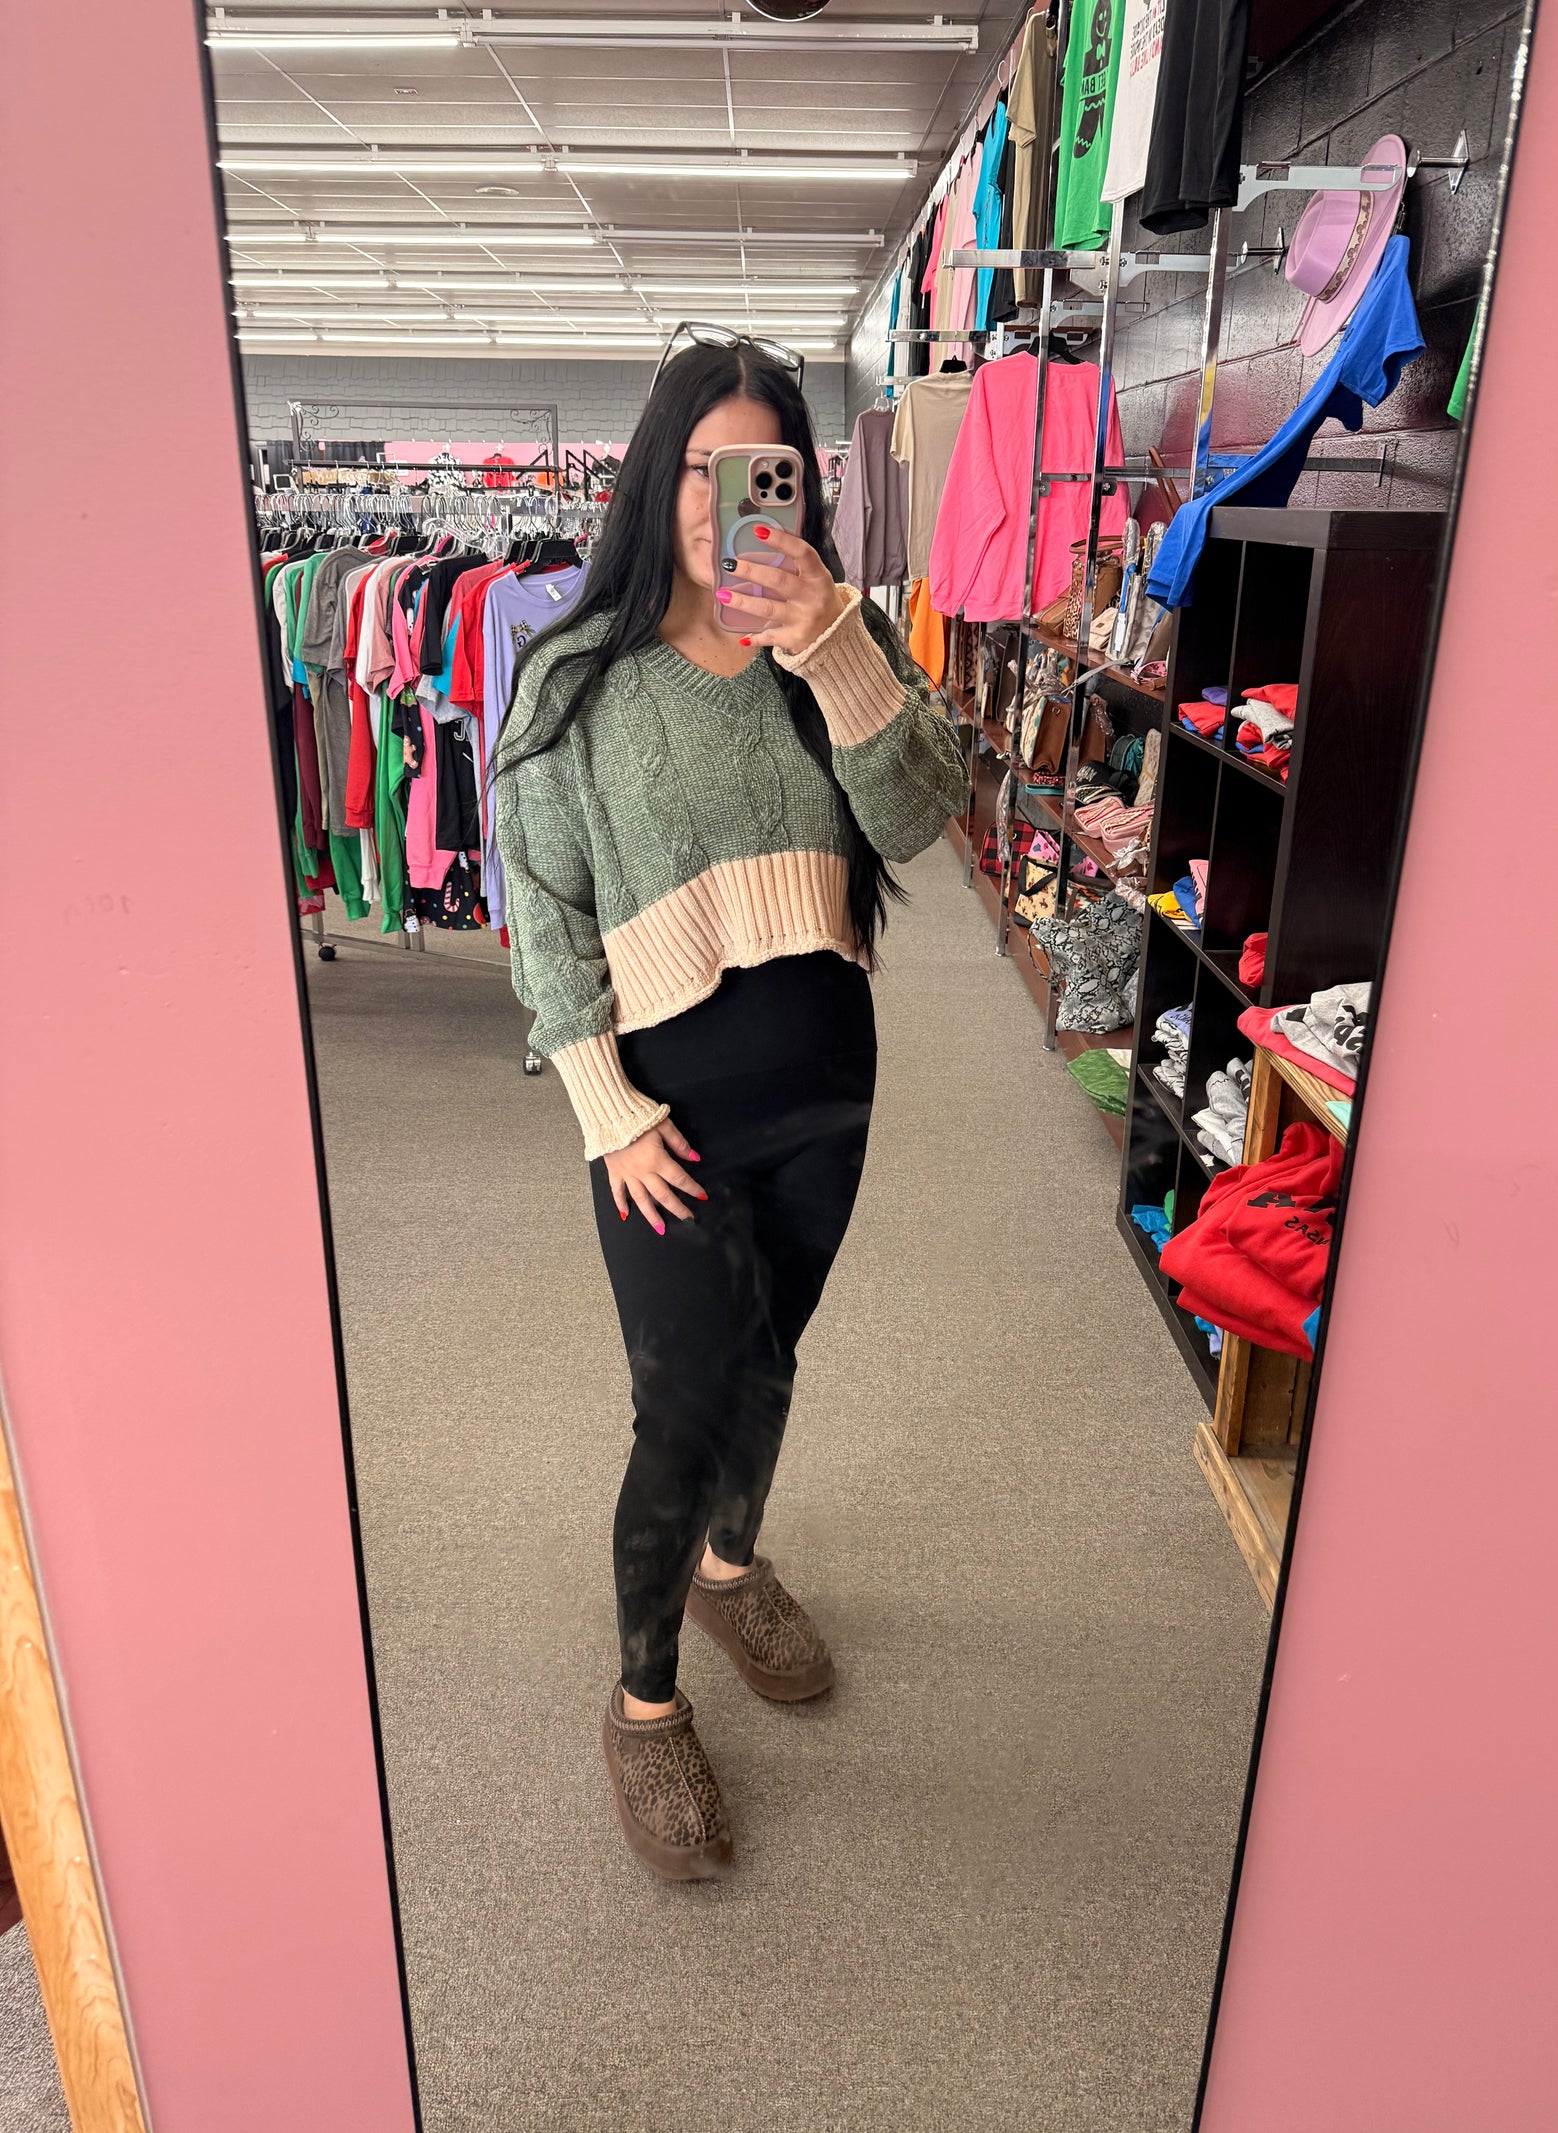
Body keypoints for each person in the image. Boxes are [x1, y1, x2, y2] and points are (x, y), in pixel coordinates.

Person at [494, 337, 967, 1880]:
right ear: (658, 475)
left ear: (800, 490)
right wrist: (607, 1108)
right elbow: (545, 916)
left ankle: (727, 1561)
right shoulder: (575, 678)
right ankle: (644, 1702)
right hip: (665, 1114)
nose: (726, 502)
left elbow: (922, 815)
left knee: (770, 1360)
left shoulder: (839, 637)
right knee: (682, 1403)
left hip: (829, 1085)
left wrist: (835, 646)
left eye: (760, 471)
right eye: (702, 469)